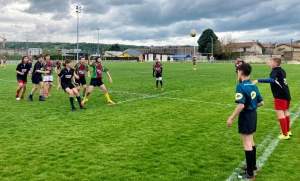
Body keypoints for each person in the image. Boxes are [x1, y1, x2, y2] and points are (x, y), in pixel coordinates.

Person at [226, 63, 264, 180]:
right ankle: (252, 167)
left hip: (246, 116)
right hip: (253, 115)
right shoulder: (254, 85)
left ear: (241, 72)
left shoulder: (241, 86)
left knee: (247, 143)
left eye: (237, 72)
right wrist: (252, 104)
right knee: (251, 141)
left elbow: (241, 105)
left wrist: (231, 118)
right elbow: (261, 103)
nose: (237, 74)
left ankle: (250, 174)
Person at [252, 57, 291, 140]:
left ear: (275, 63)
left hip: (280, 95)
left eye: (270, 61)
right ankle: (288, 131)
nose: (268, 63)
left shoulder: (275, 71)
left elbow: (272, 80)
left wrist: (258, 80)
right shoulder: (282, 70)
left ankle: (285, 134)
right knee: (285, 112)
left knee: (280, 114)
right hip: (286, 94)